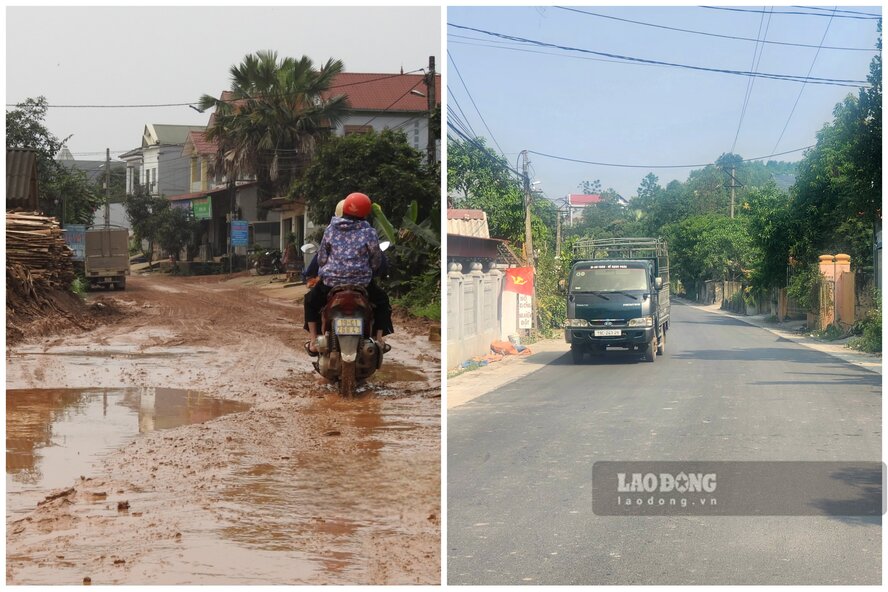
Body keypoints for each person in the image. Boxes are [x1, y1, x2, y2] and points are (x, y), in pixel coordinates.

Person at [304, 192, 393, 355]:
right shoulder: (369, 232)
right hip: (361, 284)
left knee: (310, 301)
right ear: (365, 213)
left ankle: (313, 341)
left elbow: (322, 258)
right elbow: (375, 261)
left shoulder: (330, 230)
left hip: (331, 283)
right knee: (382, 302)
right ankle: (379, 339)